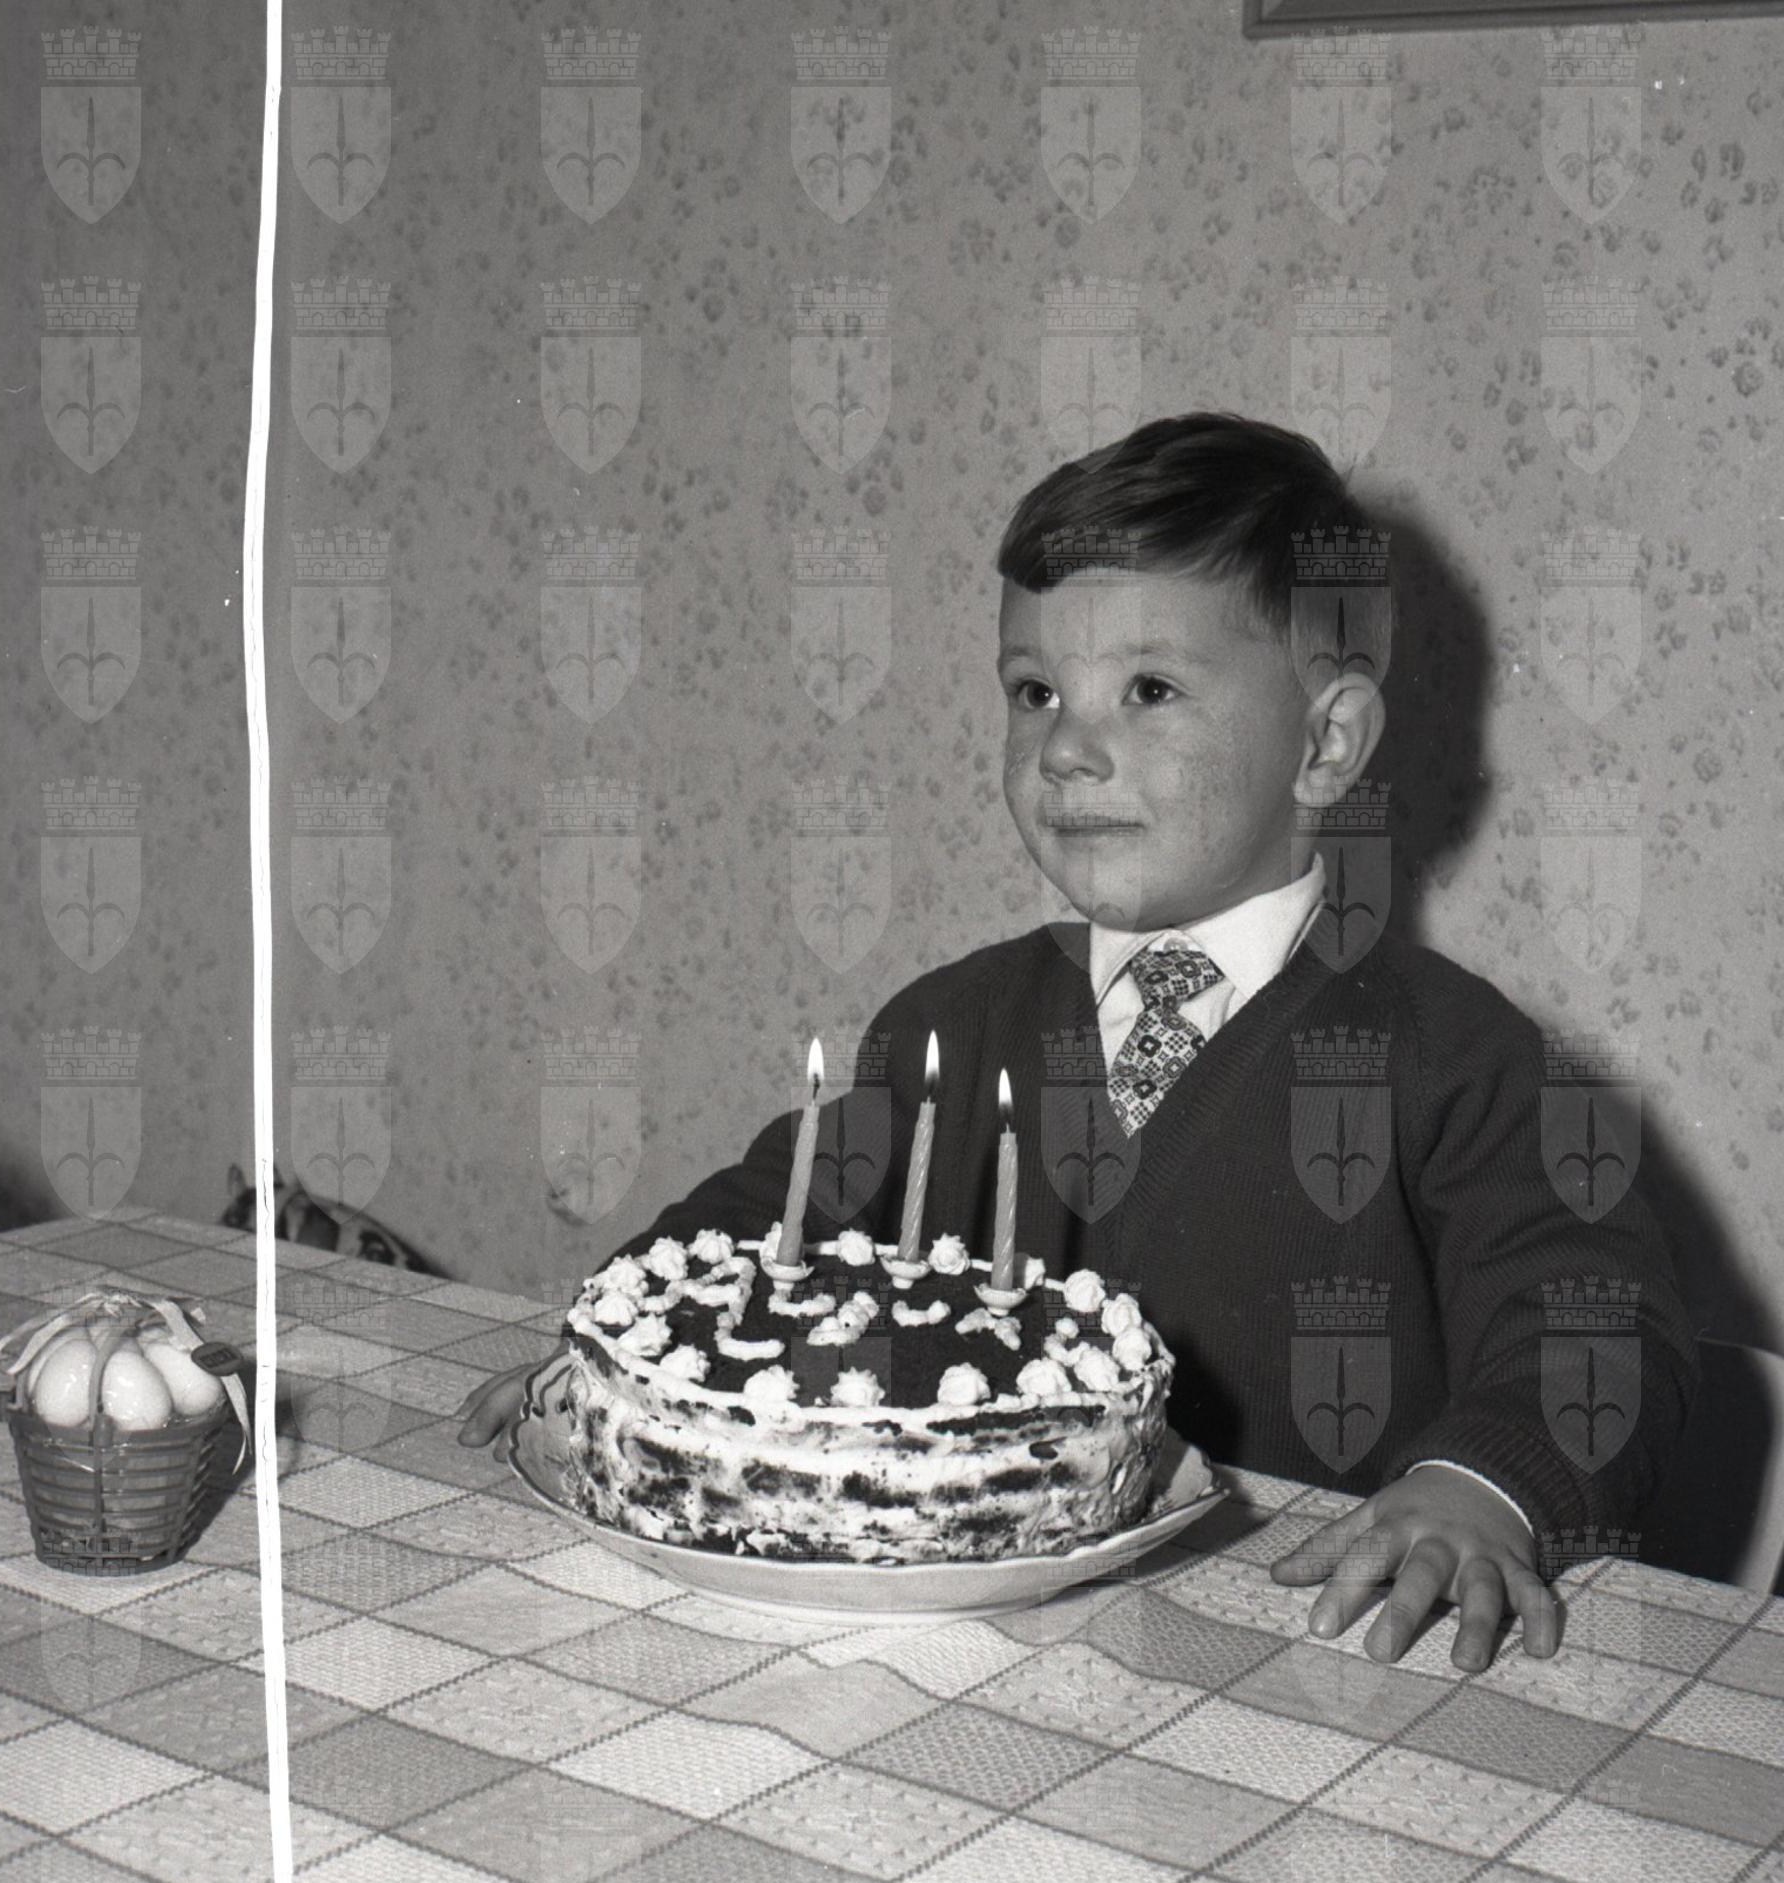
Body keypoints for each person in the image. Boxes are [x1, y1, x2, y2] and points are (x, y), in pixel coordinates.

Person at [457, 411, 1698, 1675]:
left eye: (1148, 690)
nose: (1064, 747)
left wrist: (1479, 1487)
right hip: (948, 1654)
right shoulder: (954, 1025)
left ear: (1325, 744)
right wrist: (621, 1351)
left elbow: (1598, 1321)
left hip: (1309, 1656)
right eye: (1034, 691)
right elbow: (764, 1216)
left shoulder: (1453, 1056)